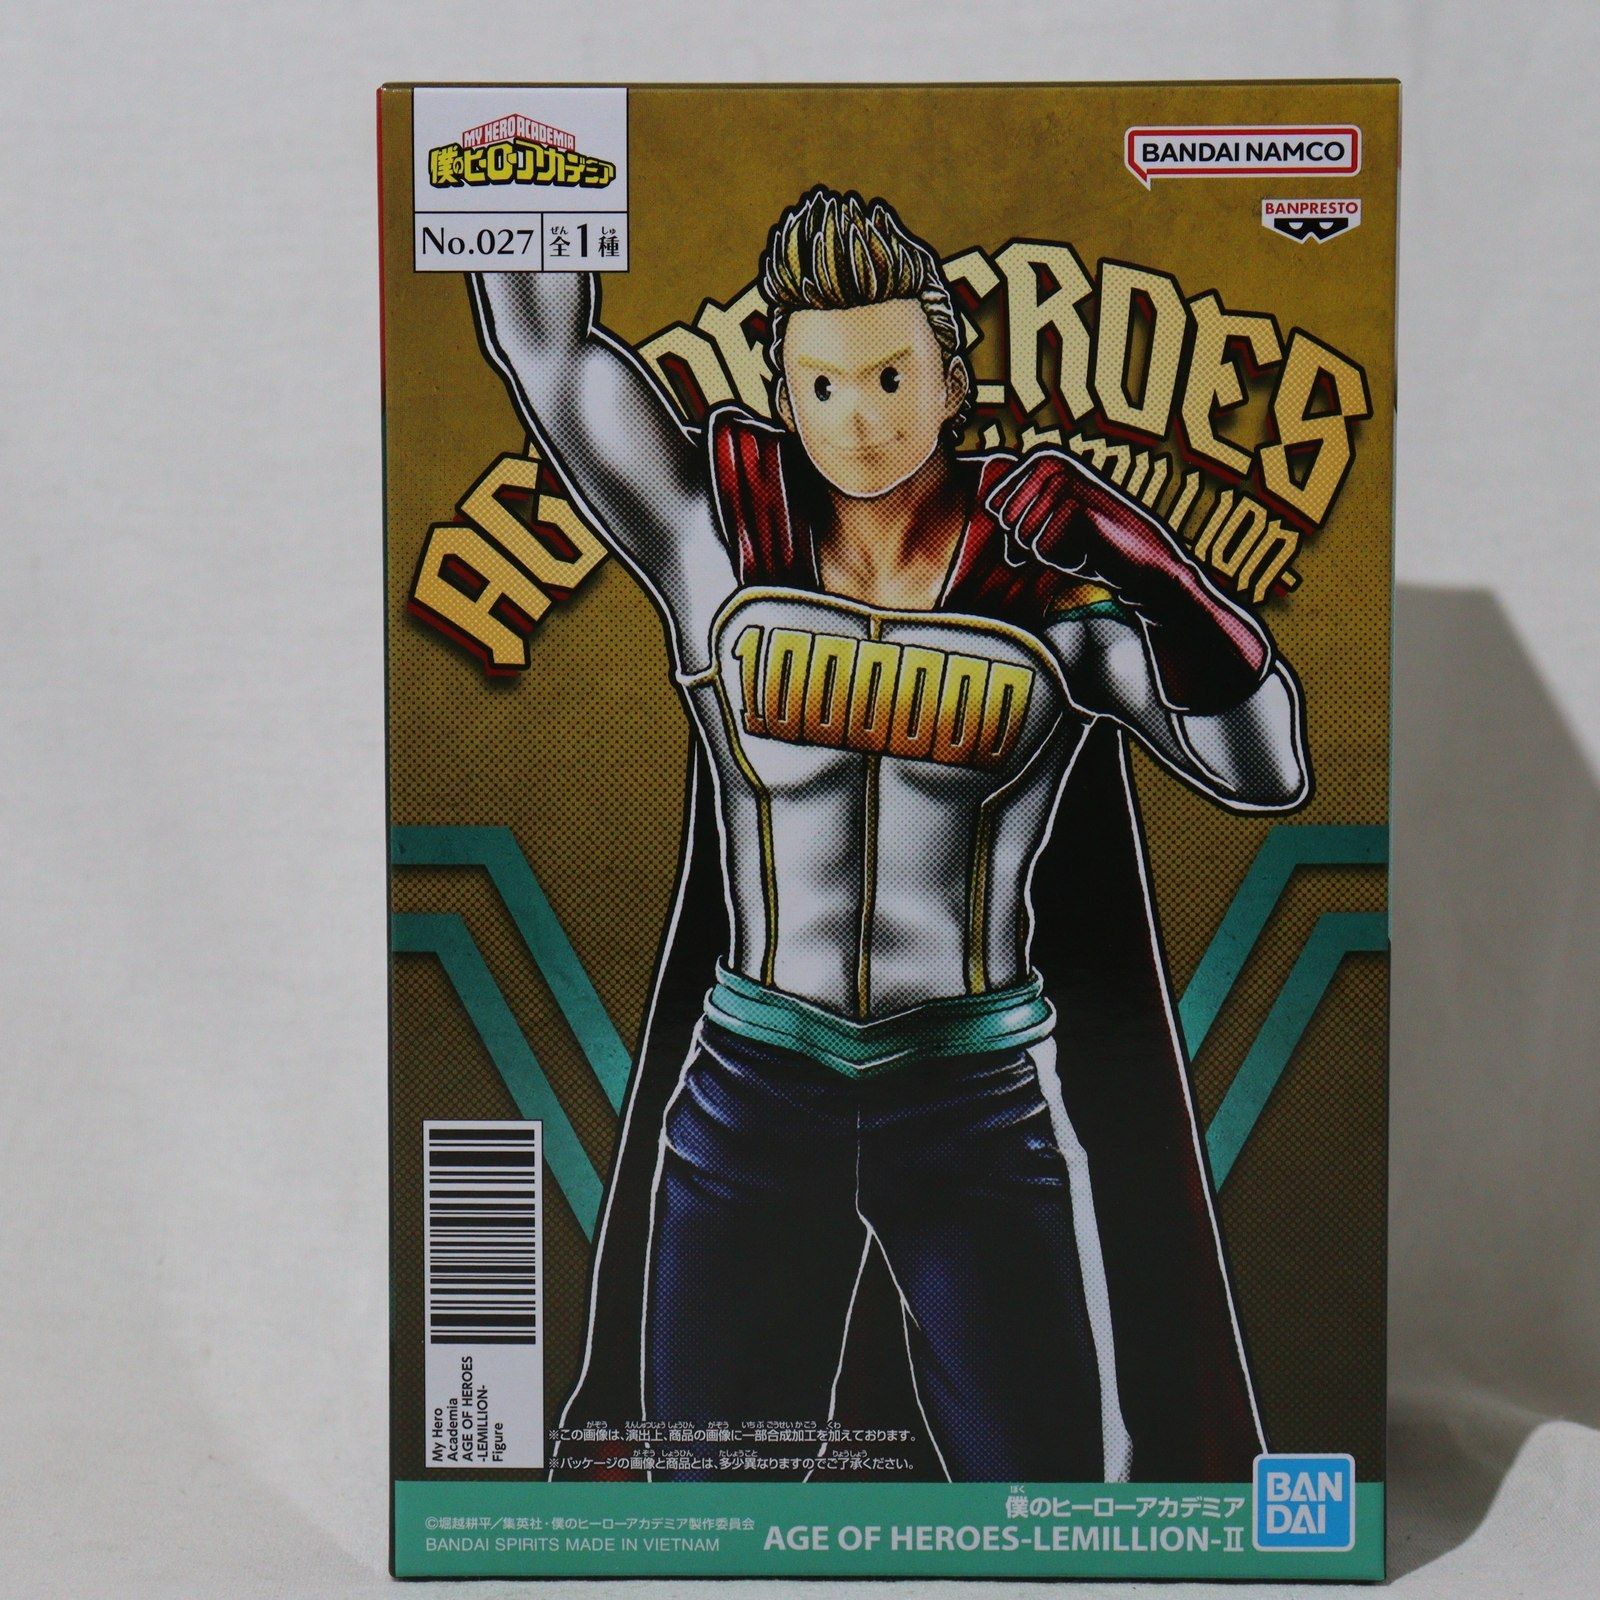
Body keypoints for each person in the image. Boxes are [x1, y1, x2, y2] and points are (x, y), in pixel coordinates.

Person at [470, 186, 1309, 1484]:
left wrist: (1162, 578)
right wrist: (526, 154)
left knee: (1045, 1506)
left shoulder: (1045, 587)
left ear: (951, 377)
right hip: (755, 1086)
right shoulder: (715, 542)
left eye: (889, 377)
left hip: (973, 1097)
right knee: (706, 1511)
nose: (858, 418)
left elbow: (1262, 771)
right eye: (822, 385)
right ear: (784, 393)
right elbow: (549, 352)